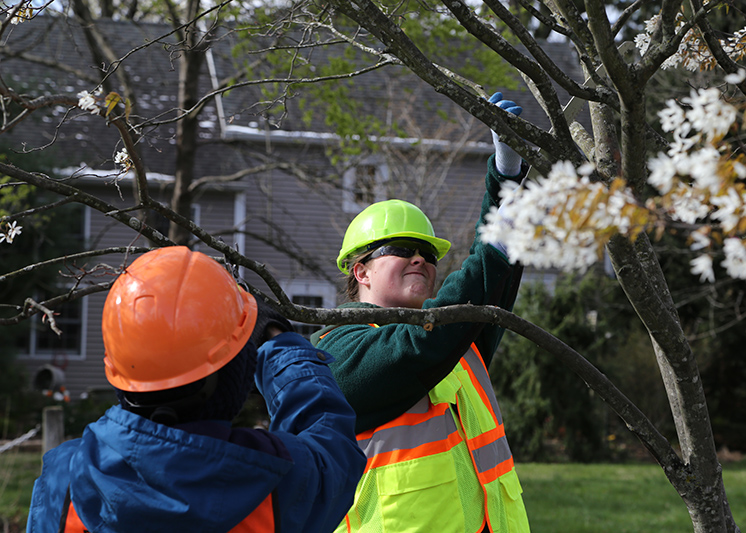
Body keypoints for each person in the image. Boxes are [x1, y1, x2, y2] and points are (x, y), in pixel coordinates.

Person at [27, 246, 366, 533]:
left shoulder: (65, 480)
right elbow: (330, 441)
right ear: (233, 375)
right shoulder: (272, 477)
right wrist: (280, 342)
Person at [311, 92, 531, 532]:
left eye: (428, 254)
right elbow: (419, 345)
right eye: (402, 250)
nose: (421, 260)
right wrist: (497, 241)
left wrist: (507, 177)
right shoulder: (335, 353)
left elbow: (492, 282)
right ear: (361, 271)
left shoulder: (454, 340)